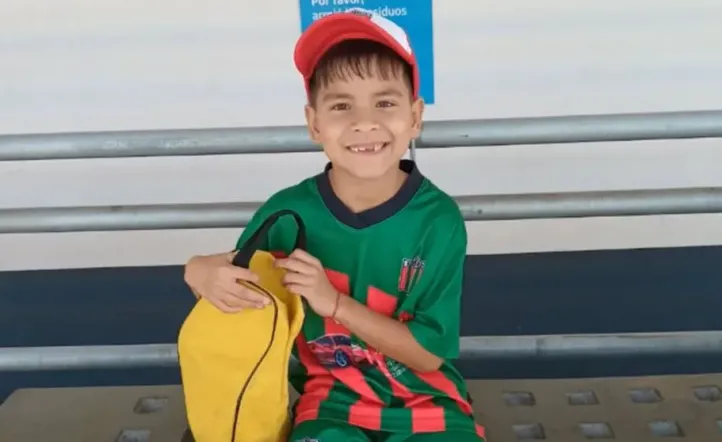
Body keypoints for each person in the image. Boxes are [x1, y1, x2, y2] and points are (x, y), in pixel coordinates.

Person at [183, 8, 485, 442]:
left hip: (428, 402)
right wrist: (197, 271)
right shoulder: (287, 214)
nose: (364, 122)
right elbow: (236, 291)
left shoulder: (437, 221)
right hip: (330, 404)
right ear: (314, 124)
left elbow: (426, 357)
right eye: (341, 106)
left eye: (385, 103)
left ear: (415, 117)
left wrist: (335, 304)